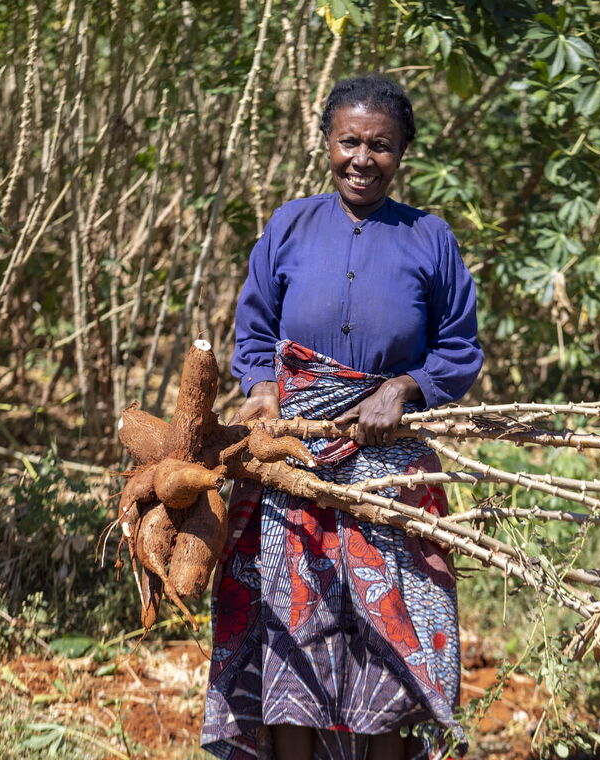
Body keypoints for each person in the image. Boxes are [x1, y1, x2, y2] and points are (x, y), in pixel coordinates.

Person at [201, 75, 483, 760]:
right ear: (326, 142)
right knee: (295, 624)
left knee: (394, 632)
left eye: (380, 146)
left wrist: (408, 387)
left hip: (388, 469)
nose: (363, 159)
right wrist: (262, 390)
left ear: (402, 152)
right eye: (349, 142)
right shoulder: (289, 226)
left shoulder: (430, 239)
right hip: (294, 459)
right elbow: (256, 326)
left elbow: (460, 347)